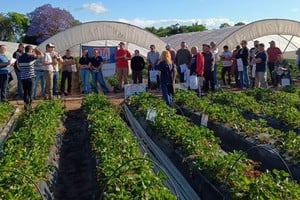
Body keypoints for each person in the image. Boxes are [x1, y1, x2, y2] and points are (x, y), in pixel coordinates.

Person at [18, 45, 44, 110]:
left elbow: (18, 67)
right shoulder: (31, 56)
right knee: (30, 92)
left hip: (23, 77)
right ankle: (29, 106)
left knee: (25, 92)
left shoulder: (20, 57)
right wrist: (36, 49)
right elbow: (42, 55)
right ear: (30, 50)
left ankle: (25, 106)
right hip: (30, 77)